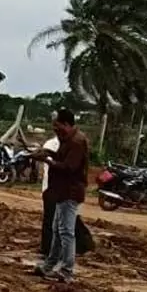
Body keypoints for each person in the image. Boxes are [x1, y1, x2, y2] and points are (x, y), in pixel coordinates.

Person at [33, 109, 91, 282]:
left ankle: (67, 270)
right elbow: (62, 159)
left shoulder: (77, 142)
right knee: (58, 230)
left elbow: (69, 167)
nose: (55, 130)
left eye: (57, 126)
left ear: (66, 124)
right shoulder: (69, 140)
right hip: (62, 191)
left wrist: (48, 161)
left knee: (66, 232)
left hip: (70, 191)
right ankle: (49, 265)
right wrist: (49, 154)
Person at [38, 126, 95, 263]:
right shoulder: (56, 144)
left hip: (65, 191)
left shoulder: (74, 144)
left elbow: (67, 167)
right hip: (56, 189)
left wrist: (47, 159)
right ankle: (54, 256)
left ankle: (66, 262)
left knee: (63, 228)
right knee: (58, 225)